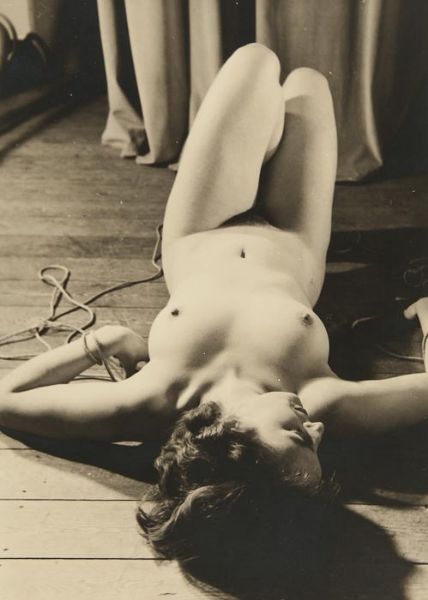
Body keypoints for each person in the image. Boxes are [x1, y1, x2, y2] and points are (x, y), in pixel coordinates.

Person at [0, 44, 427, 567]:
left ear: (233, 441)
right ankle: (264, 146)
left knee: (256, 61)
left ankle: (257, 147)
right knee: (310, 83)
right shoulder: (320, 400)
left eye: (297, 436)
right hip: (294, 237)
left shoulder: (151, 401)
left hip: (203, 227)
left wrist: (100, 342)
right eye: (314, 443)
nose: (316, 430)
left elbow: (7, 398)